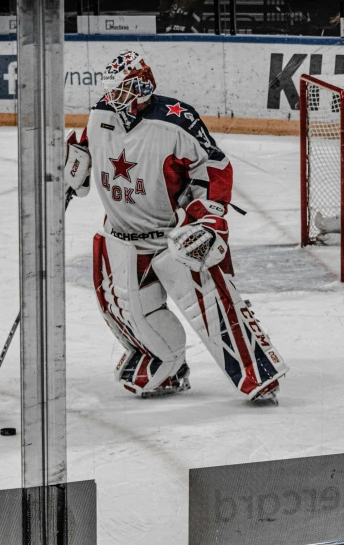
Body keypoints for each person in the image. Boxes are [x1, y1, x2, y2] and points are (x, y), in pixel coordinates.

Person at [65, 50, 288, 402]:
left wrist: (209, 217)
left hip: (172, 237)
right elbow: (86, 148)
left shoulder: (176, 121)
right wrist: (73, 163)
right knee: (122, 309)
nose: (113, 97)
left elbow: (212, 167)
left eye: (121, 89)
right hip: (121, 238)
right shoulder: (101, 114)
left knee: (212, 308)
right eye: (111, 90)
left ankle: (257, 374)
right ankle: (167, 366)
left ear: (141, 86)